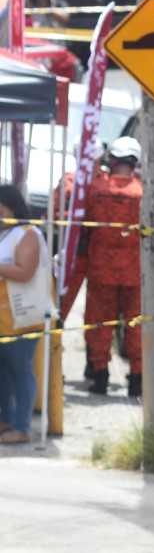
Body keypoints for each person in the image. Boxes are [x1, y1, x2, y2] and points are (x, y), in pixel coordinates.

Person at [77, 136, 143, 397]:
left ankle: (100, 374)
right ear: (135, 161)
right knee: (135, 324)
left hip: (101, 268)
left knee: (99, 323)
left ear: (112, 159)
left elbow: (84, 224)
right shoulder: (141, 192)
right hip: (134, 270)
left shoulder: (96, 189)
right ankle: (136, 378)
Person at [0, 184, 47, 444]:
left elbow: (25, 271)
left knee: (20, 369)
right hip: (5, 318)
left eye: (1, 211)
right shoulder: (7, 233)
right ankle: (6, 420)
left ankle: (21, 428)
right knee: (3, 370)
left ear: (13, 208)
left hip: (22, 316)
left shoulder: (28, 234)